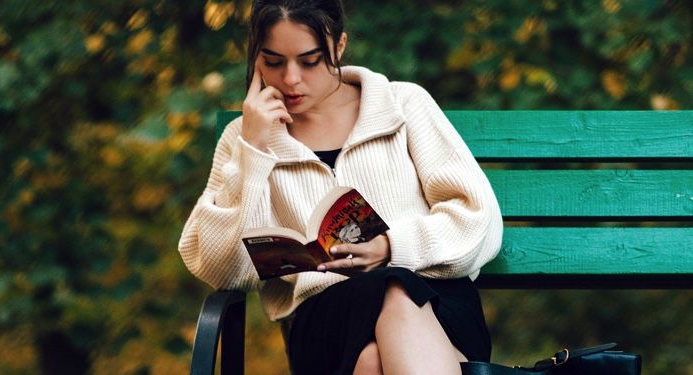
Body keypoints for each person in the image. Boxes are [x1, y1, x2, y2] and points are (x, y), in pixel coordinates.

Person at [178, 1, 503, 373]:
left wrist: (390, 248)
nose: (291, 79)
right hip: (325, 320)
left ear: (339, 46)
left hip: (436, 303)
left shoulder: (402, 106)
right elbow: (220, 268)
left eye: (310, 60)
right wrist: (253, 152)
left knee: (374, 347)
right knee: (375, 328)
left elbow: (479, 220)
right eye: (273, 61)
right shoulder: (246, 139)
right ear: (255, 58)